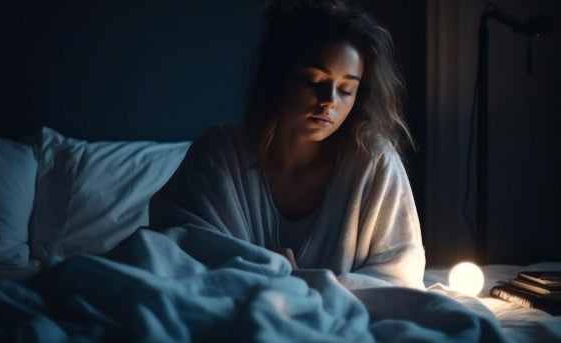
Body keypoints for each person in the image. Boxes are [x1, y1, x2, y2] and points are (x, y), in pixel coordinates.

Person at [149, 0, 425, 289]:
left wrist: (300, 283)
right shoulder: (219, 153)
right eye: (314, 80)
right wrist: (268, 269)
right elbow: (176, 251)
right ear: (279, 76)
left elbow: (400, 275)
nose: (329, 100)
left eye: (346, 89)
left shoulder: (373, 162)